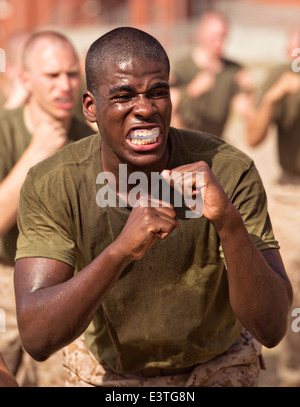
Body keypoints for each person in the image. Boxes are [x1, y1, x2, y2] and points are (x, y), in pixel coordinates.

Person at [14, 27, 292, 388]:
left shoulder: (228, 170)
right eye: (123, 95)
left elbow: (271, 328)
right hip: (109, 372)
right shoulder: (54, 182)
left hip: (218, 365)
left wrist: (229, 224)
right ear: (90, 107)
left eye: (158, 92)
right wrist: (120, 251)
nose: (145, 108)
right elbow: (37, 338)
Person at [0, 30, 93, 386]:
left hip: (62, 284)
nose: (65, 85)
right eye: (52, 75)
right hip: (5, 279)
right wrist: (37, 153)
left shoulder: (90, 141)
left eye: (72, 74)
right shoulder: (5, 131)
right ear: (25, 79)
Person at [247, 26, 300, 387]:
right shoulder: (279, 80)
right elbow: (254, 135)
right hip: (292, 196)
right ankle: (292, 371)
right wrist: (272, 98)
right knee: (292, 286)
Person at [170, 11, 254, 138]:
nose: (220, 42)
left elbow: (246, 113)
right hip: (184, 141)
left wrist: (249, 91)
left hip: (214, 142)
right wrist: (192, 90)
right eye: (215, 36)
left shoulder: (233, 70)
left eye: (224, 37)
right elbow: (168, 105)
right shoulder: (181, 66)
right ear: (200, 35)